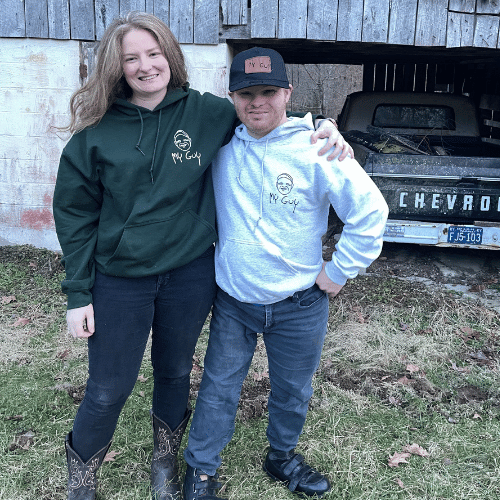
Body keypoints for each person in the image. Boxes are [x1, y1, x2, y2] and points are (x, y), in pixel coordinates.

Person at [52, 12, 352, 500]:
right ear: (117, 66)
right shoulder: (96, 133)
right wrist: (78, 294)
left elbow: (266, 109)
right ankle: (82, 480)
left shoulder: (207, 112)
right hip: (120, 280)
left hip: (188, 276)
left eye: (154, 54)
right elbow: (74, 217)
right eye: (132, 58)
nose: (145, 66)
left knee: (174, 373)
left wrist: (324, 125)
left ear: (170, 56)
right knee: (108, 387)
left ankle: (164, 465)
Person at [182, 47, 389, 499]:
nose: (258, 102)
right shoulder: (220, 145)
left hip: (299, 304)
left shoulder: (318, 147)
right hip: (234, 301)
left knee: (293, 390)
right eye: (246, 93)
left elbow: (371, 212)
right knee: (218, 388)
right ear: (232, 98)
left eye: (269, 92)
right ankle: (200, 470)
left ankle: (281, 457)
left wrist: (339, 272)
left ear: (287, 93)